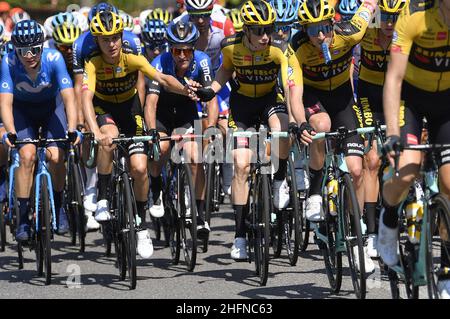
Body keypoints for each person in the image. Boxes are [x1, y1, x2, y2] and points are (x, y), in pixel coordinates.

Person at [81, 11, 198, 259]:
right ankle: (102, 197)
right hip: (105, 111)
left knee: (140, 168)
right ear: (97, 42)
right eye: (105, 40)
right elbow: (86, 98)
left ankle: (141, 227)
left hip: (129, 110)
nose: (111, 44)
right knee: (109, 137)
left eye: (114, 38)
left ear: (121, 37)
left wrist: (186, 90)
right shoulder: (93, 63)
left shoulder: (132, 57)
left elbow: (163, 78)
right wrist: (94, 131)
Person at [195, 0, 296, 260]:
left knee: (282, 130)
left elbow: (288, 81)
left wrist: (294, 113)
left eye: (269, 29)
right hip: (242, 107)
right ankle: (239, 234)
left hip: (270, 101)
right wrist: (212, 91)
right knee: (241, 164)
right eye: (259, 31)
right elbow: (225, 71)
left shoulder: (279, 48)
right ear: (246, 30)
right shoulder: (230, 46)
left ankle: (278, 180)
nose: (266, 36)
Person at [380, 0, 450, 298]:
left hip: (446, 105)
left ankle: (446, 269)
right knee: (407, 172)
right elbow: (394, 79)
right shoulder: (414, 16)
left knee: (449, 184)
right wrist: (393, 135)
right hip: (411, 101)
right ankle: (389, 218)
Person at [0, 20, 81, 241]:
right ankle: (24, 217)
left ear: (42, 47)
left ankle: (59, 204)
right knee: (27, 155)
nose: (29, 56)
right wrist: (9, 131)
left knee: (57, 156)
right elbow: (5, 103)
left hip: (50, 109)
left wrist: (72, 128)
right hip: (22, 111)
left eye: (34, 50)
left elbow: (69, 98)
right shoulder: (8, 62)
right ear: (15, 49)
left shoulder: (54, 59)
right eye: (23, 51)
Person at [145, 20, 218, 237]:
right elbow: (150, 103)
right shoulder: (160, 62)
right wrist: (151, 133)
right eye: (177, 50)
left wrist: (211, 128)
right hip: (162, 115)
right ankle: (156, 188)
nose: (182, 56)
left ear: (193, 48)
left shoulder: (203, 62)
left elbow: (211, 99)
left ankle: (199, 215)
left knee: (195, 157)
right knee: (164, 148)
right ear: (170, 49)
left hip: (186, 113)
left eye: (187, 50)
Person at [357, 0, 407, 259]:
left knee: (403, 154)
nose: (389, 23)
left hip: (398, 94)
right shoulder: (366, 29)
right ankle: (372, 232)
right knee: (373, 160)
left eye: (395, 16)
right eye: (385, 16)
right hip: (369, 94)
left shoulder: (407, 29)